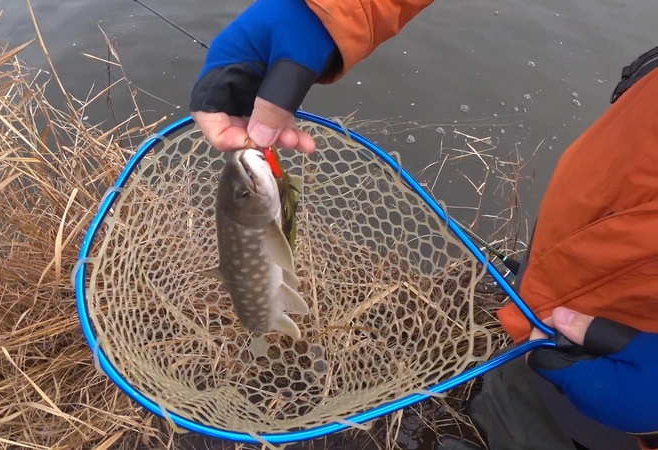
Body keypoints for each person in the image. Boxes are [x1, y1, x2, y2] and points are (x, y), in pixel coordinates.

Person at [188, 1, 658, 449]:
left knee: (584, 419)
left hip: (635, 366)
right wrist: (323, 12)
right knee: (523, 392)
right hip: (588, 229)